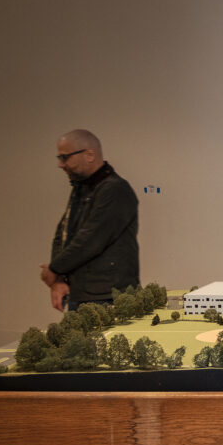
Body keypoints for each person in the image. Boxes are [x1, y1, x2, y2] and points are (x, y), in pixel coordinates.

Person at [41, 129, 139, 312]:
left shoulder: (115, 190)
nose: (60, 165)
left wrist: (54, 270)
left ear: (89, 155)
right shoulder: (83, 188)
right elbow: (63, 234)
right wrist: (58, 278)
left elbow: (90, 240)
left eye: (65, 157)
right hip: (84, 293)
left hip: (108, 297)